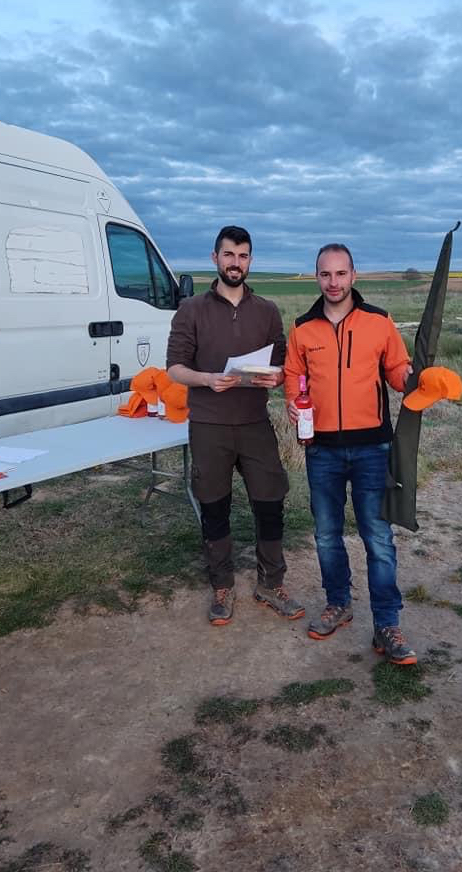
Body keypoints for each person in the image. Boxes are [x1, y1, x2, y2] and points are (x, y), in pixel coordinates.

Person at [284, 243, 417, 664]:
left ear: (354, 275)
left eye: (341, 274)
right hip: (321, 449)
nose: (334, 282)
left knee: (377, 537)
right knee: (326, 535)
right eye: (326, 274)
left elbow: (398, 369)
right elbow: (293, 375)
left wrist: (412, 378)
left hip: (372, 449)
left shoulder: (379, 321)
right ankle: (338, 604)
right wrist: (292, 401)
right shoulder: (303, 329)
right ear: (316, 277)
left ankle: (387, 624)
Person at [167, 225, 304, 626]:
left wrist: (276, 377)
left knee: (270, 500)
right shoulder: (191, 309)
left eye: (243, 256)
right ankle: (222, 584)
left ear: (250, 261)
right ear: (215, 258)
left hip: (254, 422)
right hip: (209, 424)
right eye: (229, 255)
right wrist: (208, 379)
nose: (235, 263)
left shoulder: (266, 311)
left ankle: (271, 582)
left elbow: (281, 365)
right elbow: (174, 368)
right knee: (214, 505)